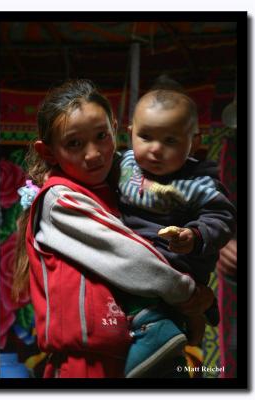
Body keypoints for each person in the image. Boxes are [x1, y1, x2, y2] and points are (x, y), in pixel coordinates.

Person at [12, 79, 214, 379]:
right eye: (74, 143)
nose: (93, 153)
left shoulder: (116, 189)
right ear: (48, 152)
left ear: (116, 130)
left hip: (131, 355)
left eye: (101, 136)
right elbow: (132, 257)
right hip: (88, 367)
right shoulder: (60, 199)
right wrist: (190, 295)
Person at [115, 88, 237, 377]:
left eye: (170, 140)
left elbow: (221, 217)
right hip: (130, 262)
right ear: (131, 133)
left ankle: (166, 333)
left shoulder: (197, 182)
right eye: (146, 137)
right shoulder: (123, 165)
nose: (156, 149)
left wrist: (193, 236)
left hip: (173, 261)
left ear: (193, 143)